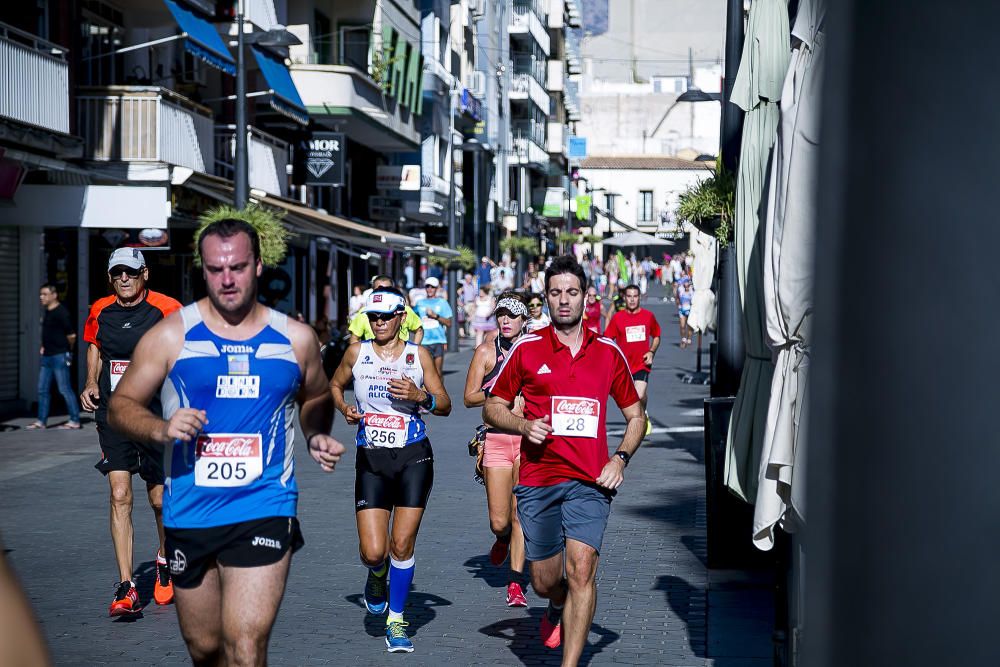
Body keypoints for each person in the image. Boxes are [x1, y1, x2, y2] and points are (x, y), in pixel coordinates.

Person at [108, 217, 346, 665]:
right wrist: (161, 428)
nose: (227, 279)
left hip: (264, 504)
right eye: (216, 270)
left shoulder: (295, 338)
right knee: (205, 648)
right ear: (203, 269)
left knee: (246, 645)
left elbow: (315, 394)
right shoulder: (171, 335)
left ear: (257, 265)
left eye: (237, 267)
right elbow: (121, 405)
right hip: (191, 510)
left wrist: (315, 433)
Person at [484, 255, 644, 664]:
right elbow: (492, 406)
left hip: (591, 482)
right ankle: (556, 605)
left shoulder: (608, 352)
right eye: (556, 293)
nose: (564, 300)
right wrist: (523, 426)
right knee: (544, 581)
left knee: (581, 570)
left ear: (587, 297)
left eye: (572, 292)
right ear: (547, 298)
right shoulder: (527, 348)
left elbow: (636, 417)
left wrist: (620, 459)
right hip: (539, 480)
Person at [329, 287, 451, 653]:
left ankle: (396, 620)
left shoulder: (419, 356)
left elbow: (444, 404)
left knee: (401, 544)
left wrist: (420, 397)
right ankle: (377, 576)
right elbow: (335, 385)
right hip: (372, 459)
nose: (379, 323)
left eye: (385, 316)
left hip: (414, 456)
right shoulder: (357, 352)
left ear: (401, 317)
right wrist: (344, 408)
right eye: (373, 317)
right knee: (373, 552)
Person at [78, 248, 182, 614]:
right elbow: (95, 347)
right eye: (117, 272)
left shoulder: (167, 309)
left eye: (131, 272)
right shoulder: (100, 310)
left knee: (158, 500)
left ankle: (165, 559)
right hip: (113, 414)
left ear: (145, 274)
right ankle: (126, 585)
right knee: (120, 493)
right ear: (110, 277)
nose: (124, 278)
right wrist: (91, 381)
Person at [463, 291, 530, 608]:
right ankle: (502, 538)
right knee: (500, 521)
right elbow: (469, 397)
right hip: (497, 439)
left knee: (520, 515)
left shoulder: (535, 352)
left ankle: (516, 583)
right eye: (501, 314)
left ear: (523, 320)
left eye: (512, 315)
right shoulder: (485, 353)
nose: (505, 320)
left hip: (529, 440)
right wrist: (498, 391)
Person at [603, 284, 661, 435]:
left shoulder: (648, 316)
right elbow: (608, 339)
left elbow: (656, 335)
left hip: (642, 364)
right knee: (630, 400)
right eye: (629, 296)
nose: (632, 299)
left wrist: (651, 352)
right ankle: (640, 417)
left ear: (639, 297)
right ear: (624, 298)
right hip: (624, 366)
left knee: (639, 395)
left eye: (635, 296)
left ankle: (642, 413)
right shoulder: (618, 318)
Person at [27, 284, 82, 430]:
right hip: (47, 356)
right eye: (40, 294)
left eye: (44, 294)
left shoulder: (61, 312)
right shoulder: (48, 312)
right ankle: (41, 421)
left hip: (59, 356)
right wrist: (44, 345)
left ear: (54, 295)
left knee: (64, 389)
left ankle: (75, 420)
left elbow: (72, 335)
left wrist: (68, 351)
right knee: (42, 389)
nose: (41, 297)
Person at [348, 276, 424, 345]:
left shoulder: (404, 309)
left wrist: (412, 353)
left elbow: (419, 330)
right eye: (372, 316)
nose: (379, 322)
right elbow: (354, 338)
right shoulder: (363, 312)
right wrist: (364, 355)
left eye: (388, 316)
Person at [413, 277, 453, 374]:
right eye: (427, 286)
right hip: (424, 341)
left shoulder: (442, 302)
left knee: (438, 372)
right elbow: (412, 319)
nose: (430, 289)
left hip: (438, 340)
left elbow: (449, 323)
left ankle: (439, 389)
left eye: (432, 287)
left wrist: (436, 316)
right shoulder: (420, 303)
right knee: (426, 372)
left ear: (437, 289)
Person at [460, 272, 478, 338]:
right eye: (469, 278)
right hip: (465, 304)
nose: (470, 280)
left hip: (472, 303)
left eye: (471, 278)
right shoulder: (463, 286)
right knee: (465, 318)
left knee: (472, 318)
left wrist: (475, 303)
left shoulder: (473, 285)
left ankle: (471, 332)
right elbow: (459, 294)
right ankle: (464, 332)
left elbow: (475, 295)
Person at [677, 278, 693, 348]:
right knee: (682, 325)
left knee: (689, 326)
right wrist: (678, 304)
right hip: (682, 309)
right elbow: (677, 297)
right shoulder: (681, 290)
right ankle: (683, 338)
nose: (686, 285)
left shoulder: (692, 291)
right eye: (685, 284)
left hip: (690, 310)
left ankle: (689, 338)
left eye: (687, 284)